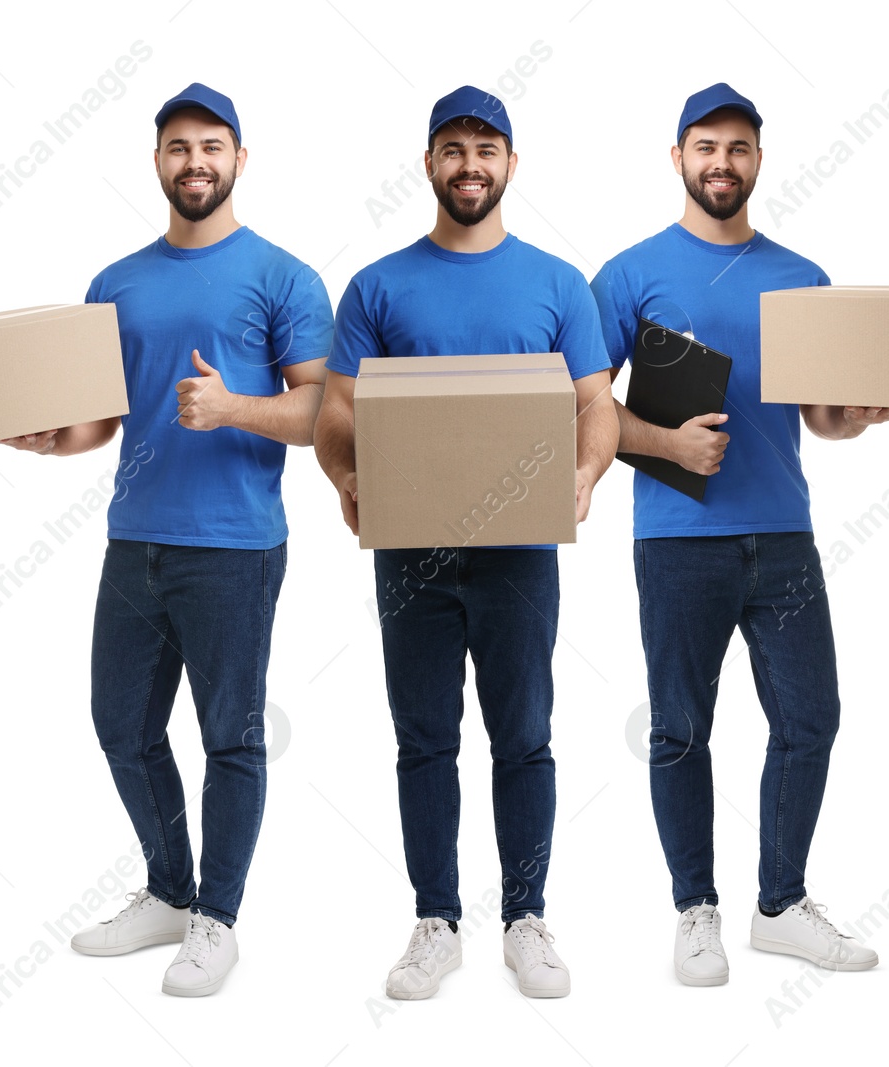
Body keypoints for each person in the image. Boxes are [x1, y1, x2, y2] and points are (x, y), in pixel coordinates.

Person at [0, 82, 332, 997]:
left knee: (231, 738)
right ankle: (169, 890)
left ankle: (217, 919)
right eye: (178, 146)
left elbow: (323, 414)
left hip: (234, 545)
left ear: (239, 160)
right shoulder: (116, 281)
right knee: (122, 725)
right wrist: (48, 437)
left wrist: (230, 406)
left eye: (212, 145)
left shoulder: (284, 276)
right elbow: (104, 415)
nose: (195, 161)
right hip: (133, 539)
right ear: (157, 162)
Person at [590, 82, 889, 986]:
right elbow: (579, 410)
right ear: (678, 157)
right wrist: (664, 440)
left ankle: (780, 904)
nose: (721, 162)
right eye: (705, 146)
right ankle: (697, 910)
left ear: (758, 160)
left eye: (738, 147)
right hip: (677, 537)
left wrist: (864, 416)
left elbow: (825, 417)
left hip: (785, 537)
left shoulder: (802, 278)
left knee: (812, 718)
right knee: (681, 730)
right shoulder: (628, 274)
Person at [313, 86, 617, 1001]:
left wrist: (587, 473)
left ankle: (526, 917)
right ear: (430, 164)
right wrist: (346, 477)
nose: (470, 164)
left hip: (522, 548)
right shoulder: (378, 285)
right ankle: (435, 921)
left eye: (487, 148)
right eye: (453, 148)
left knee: (524, 736)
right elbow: (335, 411)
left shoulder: (559, 283)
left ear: (512, 165)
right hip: (413, 550)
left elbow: (596, 404)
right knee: (424, 739)